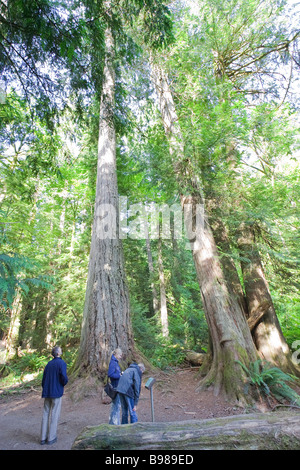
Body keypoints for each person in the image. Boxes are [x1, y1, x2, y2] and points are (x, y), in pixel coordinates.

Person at [40, 346, 68, 445]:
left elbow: (43, 380)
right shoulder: (61, 363)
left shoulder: (49, 364)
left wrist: (45, 388)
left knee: (45, 414)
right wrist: (63, 384)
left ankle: (42, 437)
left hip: (47, 392)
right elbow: (64, 377)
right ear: (58, 353)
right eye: (60, 349)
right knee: (55, 415)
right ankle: (51, 438)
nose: (61, 350)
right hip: (56, 392)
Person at [107, 348, 123, 425]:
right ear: (116, 354)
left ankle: (113, 423)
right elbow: (110, 374)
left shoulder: (115, 362)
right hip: (115, 386)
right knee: (116, 406)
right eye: (120, 355)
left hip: (116, 385)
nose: (120, 356)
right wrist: (119, 375)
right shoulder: (113, 362)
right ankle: (115, 424)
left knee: (115, 405)